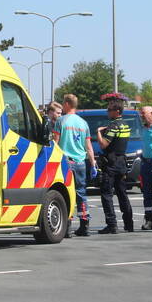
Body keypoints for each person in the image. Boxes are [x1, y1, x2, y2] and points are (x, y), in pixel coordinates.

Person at [51, 94, 96, 236]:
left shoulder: (61, 121)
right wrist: (93, 163)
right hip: (80, 162)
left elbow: (56, 143)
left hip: (65, 163)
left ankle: (67, 226)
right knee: (81, 193)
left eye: (63, 104)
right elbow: (88, 146)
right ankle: (84, 224)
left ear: (67, 104)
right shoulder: (83, 123)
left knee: (66, 194)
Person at [95, 97, 133, 234]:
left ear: (117, 111)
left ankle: (112, 225)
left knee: (106, 194)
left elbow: (104, 144)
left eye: (109, 110)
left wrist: (98, 132)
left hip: (111, 163)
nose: (107, 112)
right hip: (122, 161)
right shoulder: (125, 125)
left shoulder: (113, 126)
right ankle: (129, 224)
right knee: (122, 194)